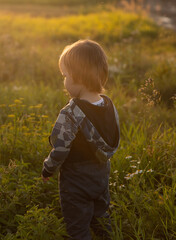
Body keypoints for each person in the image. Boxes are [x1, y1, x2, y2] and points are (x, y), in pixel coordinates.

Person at [41, 39, 120, 240]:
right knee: (101, 217)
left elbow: (60, 150)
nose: (64, 81)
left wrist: (48, 168)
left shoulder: (70, 113)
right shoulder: (109, 105)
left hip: (75, 182)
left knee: (77, 227)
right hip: (101, 177)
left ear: (78, 78)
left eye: (65, 76)